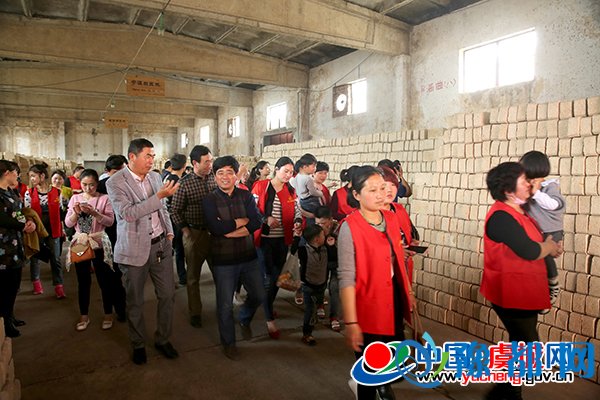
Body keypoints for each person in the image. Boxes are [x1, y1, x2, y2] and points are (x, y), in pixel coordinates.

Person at [481, 162, 561, 400]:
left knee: (522, 342)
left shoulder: (521, 212)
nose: (530, 184)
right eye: (525, 181)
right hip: (510, 293)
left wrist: (549, 246)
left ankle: (505, 391)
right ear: (508, 190)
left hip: (526, 290)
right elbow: (529, 250)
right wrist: (548, 247)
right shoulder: (501, 217)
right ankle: (506, 391)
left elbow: (540, 241)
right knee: (528, 344)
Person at [338, 166, 412, 400]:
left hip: (392, 301)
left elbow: (393, 257)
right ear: (356, 194)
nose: (381, 194)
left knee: (390, 360)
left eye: (383, 188)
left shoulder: (391, 218)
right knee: (369, 371)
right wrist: (351, 323)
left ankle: (380, 386)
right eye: (372, 190)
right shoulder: (349, 227)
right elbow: (346, 278)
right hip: (367, 306)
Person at [106, 138, 180, 365]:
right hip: (133, 248)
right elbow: (128, 213)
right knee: (135, 300)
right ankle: (138, 343)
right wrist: (159, 197)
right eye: (147, 156)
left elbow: (163, 209)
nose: (151, 160)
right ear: (132, 157)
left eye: (153, 156)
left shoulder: (155, 177)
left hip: (160, 245)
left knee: (167, 295)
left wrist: (169, 233)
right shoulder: (115, 182)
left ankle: (163, 339)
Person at [202, 156, 264, 360]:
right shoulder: (210, 200)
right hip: (223, 260)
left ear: (236, 175)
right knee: (225, 305)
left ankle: (245, 316)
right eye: (220, 173)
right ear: (215, 176)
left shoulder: (245, 196)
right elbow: (215, 227)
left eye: (229, 172)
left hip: (248, 257)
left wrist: (230, 230)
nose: (225, 177)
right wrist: (241, 222)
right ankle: (228, 343)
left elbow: (256, 221)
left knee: (259, 294)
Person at [65, 169, 126, 331]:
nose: (88, 188)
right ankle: (84, 315)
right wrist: (75, 214)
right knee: (83, 281)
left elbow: (110, 221)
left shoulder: (104, 198)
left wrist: (95, 213)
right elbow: (68, 223)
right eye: (84, 184)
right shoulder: (75, 198)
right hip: (81, 242)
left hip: (99, 242)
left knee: (104, 280)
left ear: (97, 184)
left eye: (91, 185)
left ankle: (108, 314)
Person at [252, 156, 302, 339]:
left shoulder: (291, 190)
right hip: (264, 240)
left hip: (282, 240)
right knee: (267, 278)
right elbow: (251, 208)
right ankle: (269, 319)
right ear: (276, 169)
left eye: (291, 172)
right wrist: (265, 219)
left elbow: (297, 209)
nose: (288, 175)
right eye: (285, 171)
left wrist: (298, 221)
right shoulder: (261, 186)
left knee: (276, 277)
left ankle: (267, 306)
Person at [170, 145, 216, 328]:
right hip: (195, 234)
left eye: (211, 161)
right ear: (195, 163)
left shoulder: (214, 178)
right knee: (193, 276)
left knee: (220, 273)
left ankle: (223, 307)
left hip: (215, 233)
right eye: (207, 162)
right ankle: (195, 312)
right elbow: (175, 210)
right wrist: (185, 230)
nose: (210, 164)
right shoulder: (184, 183)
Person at [519, 151, 565, 313]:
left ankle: (553, 284)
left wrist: (537, 193)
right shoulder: (526, 188)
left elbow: (554, 205)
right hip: (535, 231)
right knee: (532, 259)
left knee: (545, 256)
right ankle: (537, 295)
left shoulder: (550, 186)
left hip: (551, 230)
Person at [0, 160, 37, 338]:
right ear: (7, 173)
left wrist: (27, 222)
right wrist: (22, 226)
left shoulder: (11, 191)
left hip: (15, 243)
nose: (18, 176)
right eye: (15, 172)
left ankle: (10, 315)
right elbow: (2, 218)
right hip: (3, 247)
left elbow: (19, 212)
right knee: (5, 285)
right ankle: (4, 322)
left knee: (14, 283)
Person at [24, 162, 66, 298]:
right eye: (30, 176)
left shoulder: (57, 192)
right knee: (35, 257)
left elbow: (60, 212)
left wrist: (63, 229)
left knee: (55, 258)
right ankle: (36, 283)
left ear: (42, 176)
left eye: (33, 176)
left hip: (53, 229)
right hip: (36, 230)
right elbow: (27, 213)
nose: (31, 179)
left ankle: (59, 286)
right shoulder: (29, 193)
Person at [380, 166, 420, 284]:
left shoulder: (399, 209)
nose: (389, 190)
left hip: (402, 270)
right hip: (380, 274)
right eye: (384, 186)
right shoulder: (369, 214)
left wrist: (412, 243)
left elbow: (410, 232)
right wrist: (395, 252)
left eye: (393, 185)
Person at [298, 224, 327, 345]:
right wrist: (296, 237)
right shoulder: (303, 251)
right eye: (323, 235)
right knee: (310, 310)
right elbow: (294, 252)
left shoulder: (325, 248)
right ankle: (307, 333)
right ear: (316, 239)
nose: (325, 237)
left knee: (316, 307)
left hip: (321, 284)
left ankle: (312, 323)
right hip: (308, 286)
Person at [314, 206, 341, 331]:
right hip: (321, 262)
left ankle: (334, 317)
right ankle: (320, 304)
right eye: (317, 223)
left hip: (337, 262)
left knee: (334, 289)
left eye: (323, 223)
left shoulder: (339, 228)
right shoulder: (315, 229)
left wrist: (333, 245)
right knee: (321, 284)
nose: (320, 226)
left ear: (330, 220)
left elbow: (344, 249)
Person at [164, 153, 188, 286]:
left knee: (175, 249)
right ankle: (182, 277)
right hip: (175, 219)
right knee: (179, 249)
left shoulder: (167, 177)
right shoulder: (178, 181)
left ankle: (180, 276)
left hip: (168, 217)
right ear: (184, 166)